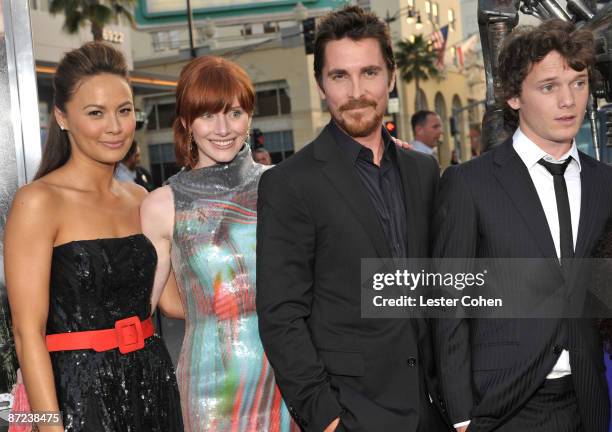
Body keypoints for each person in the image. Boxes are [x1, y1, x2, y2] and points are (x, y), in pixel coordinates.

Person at [256, 6, 449, 432]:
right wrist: (326, 418)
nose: (356, 90)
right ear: (321, 84)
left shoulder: (422, 171)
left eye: (370, 73)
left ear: (391, 77)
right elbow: (280, 315)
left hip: (435, 409)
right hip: (355, 413)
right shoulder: (289, 183)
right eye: (340, 76)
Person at [433, 20, 612, 432]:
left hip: (588, 399)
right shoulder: (469, 183)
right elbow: (449, 305)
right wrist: (461, 412)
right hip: (502, 404)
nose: (569, 100)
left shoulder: (605, 184)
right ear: (514, 96)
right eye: (549, 87)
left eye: (579, 83)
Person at [3, 42, 182, 431]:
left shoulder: (143, 200)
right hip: (76, 396)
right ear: (62, 118)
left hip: (152, 380)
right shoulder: (37, 202)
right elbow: (25, 333)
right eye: (96, 113)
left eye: (124, 110)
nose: (115, 127)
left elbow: (174, 303)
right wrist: (49, 426)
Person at [140, 56, 297, 432]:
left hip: (289, 382)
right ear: (185, 121)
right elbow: (154, 306)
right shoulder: (162, 205)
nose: (223, 128)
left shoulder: (282, 185)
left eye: (234, 113)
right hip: (208, 390)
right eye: (208, 115)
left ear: (250, 116)